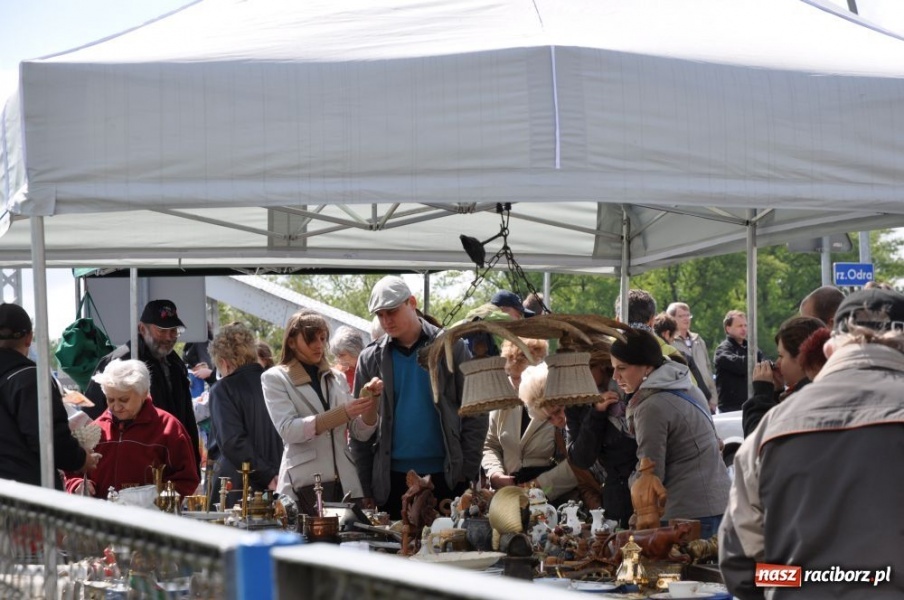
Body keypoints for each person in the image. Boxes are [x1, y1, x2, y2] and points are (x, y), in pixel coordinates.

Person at [720, 288, 904, 598]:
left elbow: (742, 567)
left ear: (830, 348)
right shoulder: (772, 425)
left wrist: (804, 580)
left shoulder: (772, 426)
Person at [351, 276, 486, 519]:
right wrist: (365, 485)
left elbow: (476, 410)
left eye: (391, 311)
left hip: (447, 477)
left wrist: (466, 471)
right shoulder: (370, 358)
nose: (386, 320)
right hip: (391, 482)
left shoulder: (451, 347)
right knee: (395, 554)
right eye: (380, 314)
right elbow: (358, 430)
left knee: (448, 551)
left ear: (411, 302)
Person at [613, 328, 730, 539]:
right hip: (719, 504)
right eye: (613, 369)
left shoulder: (651, 406)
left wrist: (631, 480)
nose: (616, 376)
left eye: (622, 368)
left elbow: (651, 475)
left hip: (687, 515)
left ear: (647, 367)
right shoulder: (687, 386)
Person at [262, 310, 381, 511]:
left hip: (347, 484)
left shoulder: (337, 377)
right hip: (304, 487)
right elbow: (288, 430)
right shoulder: (274, 378)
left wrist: (372, 401)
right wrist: (342, 413)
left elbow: (361, 432)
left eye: (322, 338)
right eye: (311, 339)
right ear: (291, 342)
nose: (319, 345)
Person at [84, 299, 201, 472]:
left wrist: (193, 463)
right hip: (131, 464)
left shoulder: (176, 364)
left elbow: (186, 418)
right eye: (162, 331)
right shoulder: (120, 361)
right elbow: (93, 417)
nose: (169, 337)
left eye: (174, 331)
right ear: (142, 329)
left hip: (170, 461)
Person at [64, 359, 199, 498]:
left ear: (143, 394)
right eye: (110, 400)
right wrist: (78, 484)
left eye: (124, 400)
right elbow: (73, 471)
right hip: (102, 515)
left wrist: (156, 501)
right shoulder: (95, 430)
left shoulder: (169, 428)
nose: (116, 407)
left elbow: (186, 479)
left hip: (148, 517)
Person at [0, 303, 100, 488]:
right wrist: (80, 459)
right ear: (29, 338)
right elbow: (48, 438)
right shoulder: (31, 379)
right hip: (24, 499)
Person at [564, 334, 638, 528]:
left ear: (602, 365)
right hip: (616, 494)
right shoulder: (576, 403)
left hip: (643, 489)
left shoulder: (631, 388)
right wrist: (596, 412)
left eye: (586, 369)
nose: (580, 377)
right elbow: (581, 458)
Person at [206, 323, 284, 507]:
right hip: (281, 480)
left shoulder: (223, 389)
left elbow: (232, 441)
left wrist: (266, 475)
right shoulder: (277, 383)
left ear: (224, 362)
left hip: (239, 489)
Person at [482, 363, 579, 502]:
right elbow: (490, 445)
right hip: (510, 495)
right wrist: (495, 474)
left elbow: (578, 463)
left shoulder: (571, 413)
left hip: (556, 497)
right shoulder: (503, 402)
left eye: (557, 412)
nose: (556, 420)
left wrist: (536, 485)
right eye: (514, 377)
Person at [741, 316, 824, 437]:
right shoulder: (824, 388)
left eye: (781, 356)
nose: (777, 363)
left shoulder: (806, 399)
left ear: (801, 359)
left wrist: (761, 395)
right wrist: (777, 393)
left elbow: (760, 441)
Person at [667, 302, 717, 406]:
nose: (686, 319)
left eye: (688, 315)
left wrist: (713, 398)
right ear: (671, 318)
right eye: (681, 316)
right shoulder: (670, 342)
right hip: (686, 398)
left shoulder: (698, 340)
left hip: (706, 397)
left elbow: (708, 369)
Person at [713, 310, 764, 413]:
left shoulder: (751, 348)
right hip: (731, 407)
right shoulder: (722, 350)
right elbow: (740, 365)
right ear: (728, 328)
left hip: (751, 403)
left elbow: (764, 364)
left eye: (745, 325)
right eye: (739, 326)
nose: (744, 329)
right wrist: (755, 361)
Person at [329, 326, 367, 390]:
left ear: (355, 350)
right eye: (337, 355)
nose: (339, 359)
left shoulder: (369, 369)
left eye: (342, 355)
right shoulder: (336, 372)